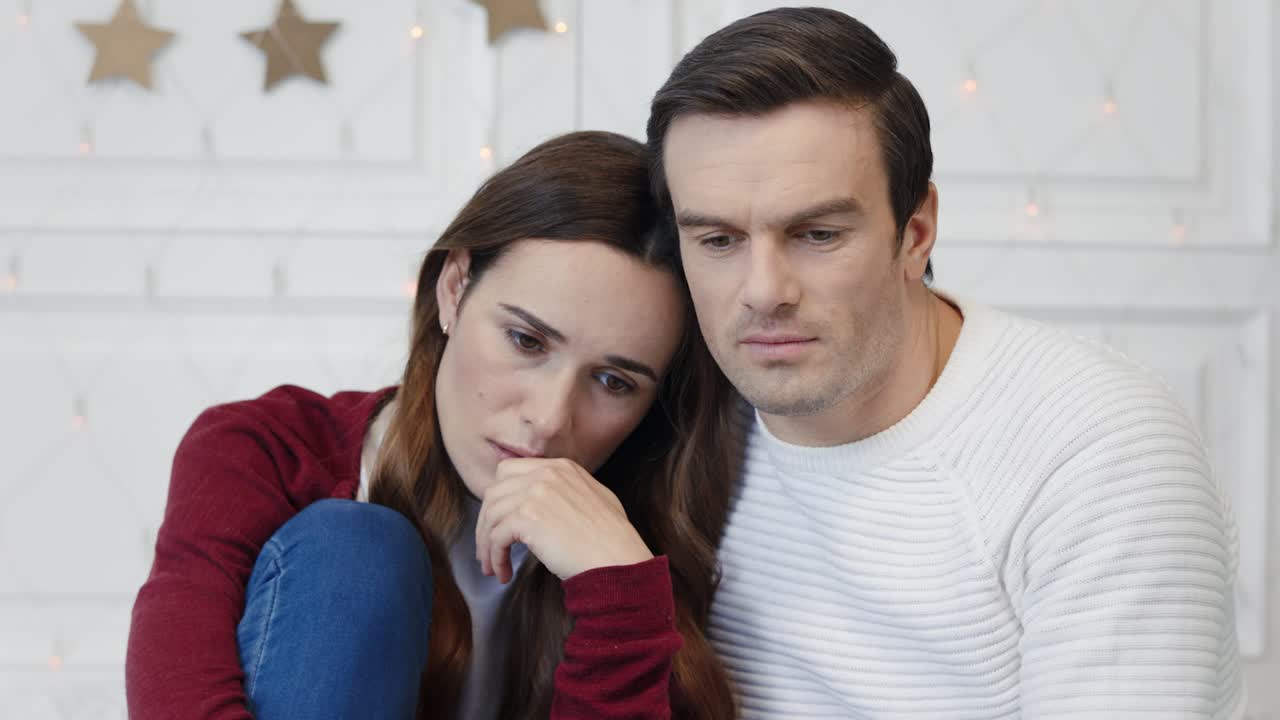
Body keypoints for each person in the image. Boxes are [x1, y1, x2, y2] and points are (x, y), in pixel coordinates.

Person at [645, 7, 1246, 718]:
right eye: (717, 240)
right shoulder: (673, 409)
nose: (764, 292)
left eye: (818, 234)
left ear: (916, 231)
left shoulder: (1098, 451)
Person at [125, 131, 738, 720]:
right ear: (453, 287)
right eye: (526, 341)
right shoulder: (264, 451)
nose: (550, 418)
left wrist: (618, 594)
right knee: (357, 552)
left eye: (614, 383)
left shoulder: (654, 532)